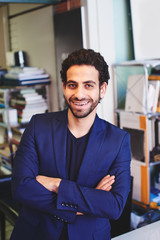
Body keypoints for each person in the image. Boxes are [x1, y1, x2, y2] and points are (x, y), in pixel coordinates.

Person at [10, 49, 131, 240]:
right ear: (65, 87)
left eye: (88, 85)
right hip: (35, 233)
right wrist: (87, 201)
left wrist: (56, 184)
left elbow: (114, 206)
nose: (79, 94)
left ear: (102, 89)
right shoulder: (38, 126)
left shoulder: (118, 140)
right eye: (72, 85)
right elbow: (21, 187)